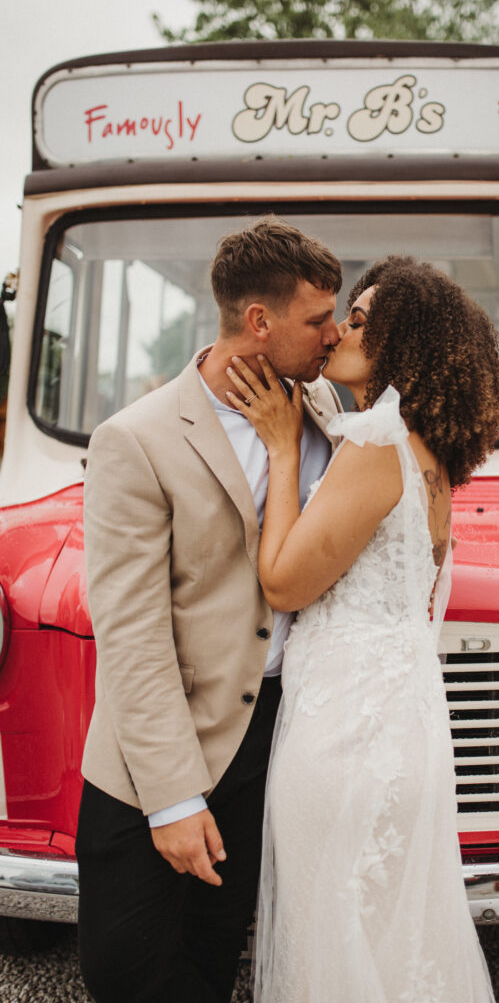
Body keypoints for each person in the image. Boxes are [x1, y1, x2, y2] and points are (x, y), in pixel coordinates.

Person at [226, 255, 499, 1003]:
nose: (341, 328)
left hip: (344, 739)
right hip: (400, 731)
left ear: (402, 343)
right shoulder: (432, 455)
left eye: (359, 318)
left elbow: (284, 579)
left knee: (336, 946)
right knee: (390, 944)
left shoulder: (379, 441)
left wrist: (283, 449)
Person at [75, 217, 343, 1003]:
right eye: (316, 318)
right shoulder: (137, 439)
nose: (331, 334)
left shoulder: (329, 406)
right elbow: (129, 633)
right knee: (126, 971)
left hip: (276, 740)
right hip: (161, 752)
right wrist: (173, 799)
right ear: (258, 323)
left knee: (212, 959)